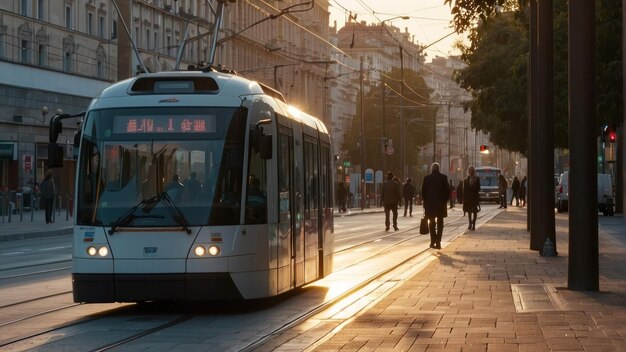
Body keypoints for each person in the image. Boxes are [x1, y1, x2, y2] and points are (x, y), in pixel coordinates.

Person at [421, 163, 449, 249]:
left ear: (432, 169)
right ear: (439, 169)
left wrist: (425, 203)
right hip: (440, 205)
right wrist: (444, 201)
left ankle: (433, 241)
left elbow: (423, 192)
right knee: (440, 223)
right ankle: (438, 242)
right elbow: (447, 191)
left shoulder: (427, 178)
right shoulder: (443, 178)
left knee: (431, 223)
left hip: (430, 205)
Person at [463, 166, 481, 230]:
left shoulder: (477, 179)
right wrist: (464, 199)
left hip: (474, 198)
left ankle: (474, 223)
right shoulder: (466, 179)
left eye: (472, 170)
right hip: (468, 198)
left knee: (475, 212)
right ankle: (470, 224)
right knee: (469, 212)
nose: (471, 171)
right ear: (469, 171)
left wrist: (474, 189)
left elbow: (479, 188)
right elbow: (464, 190)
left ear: (474, 171)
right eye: (470, 170)